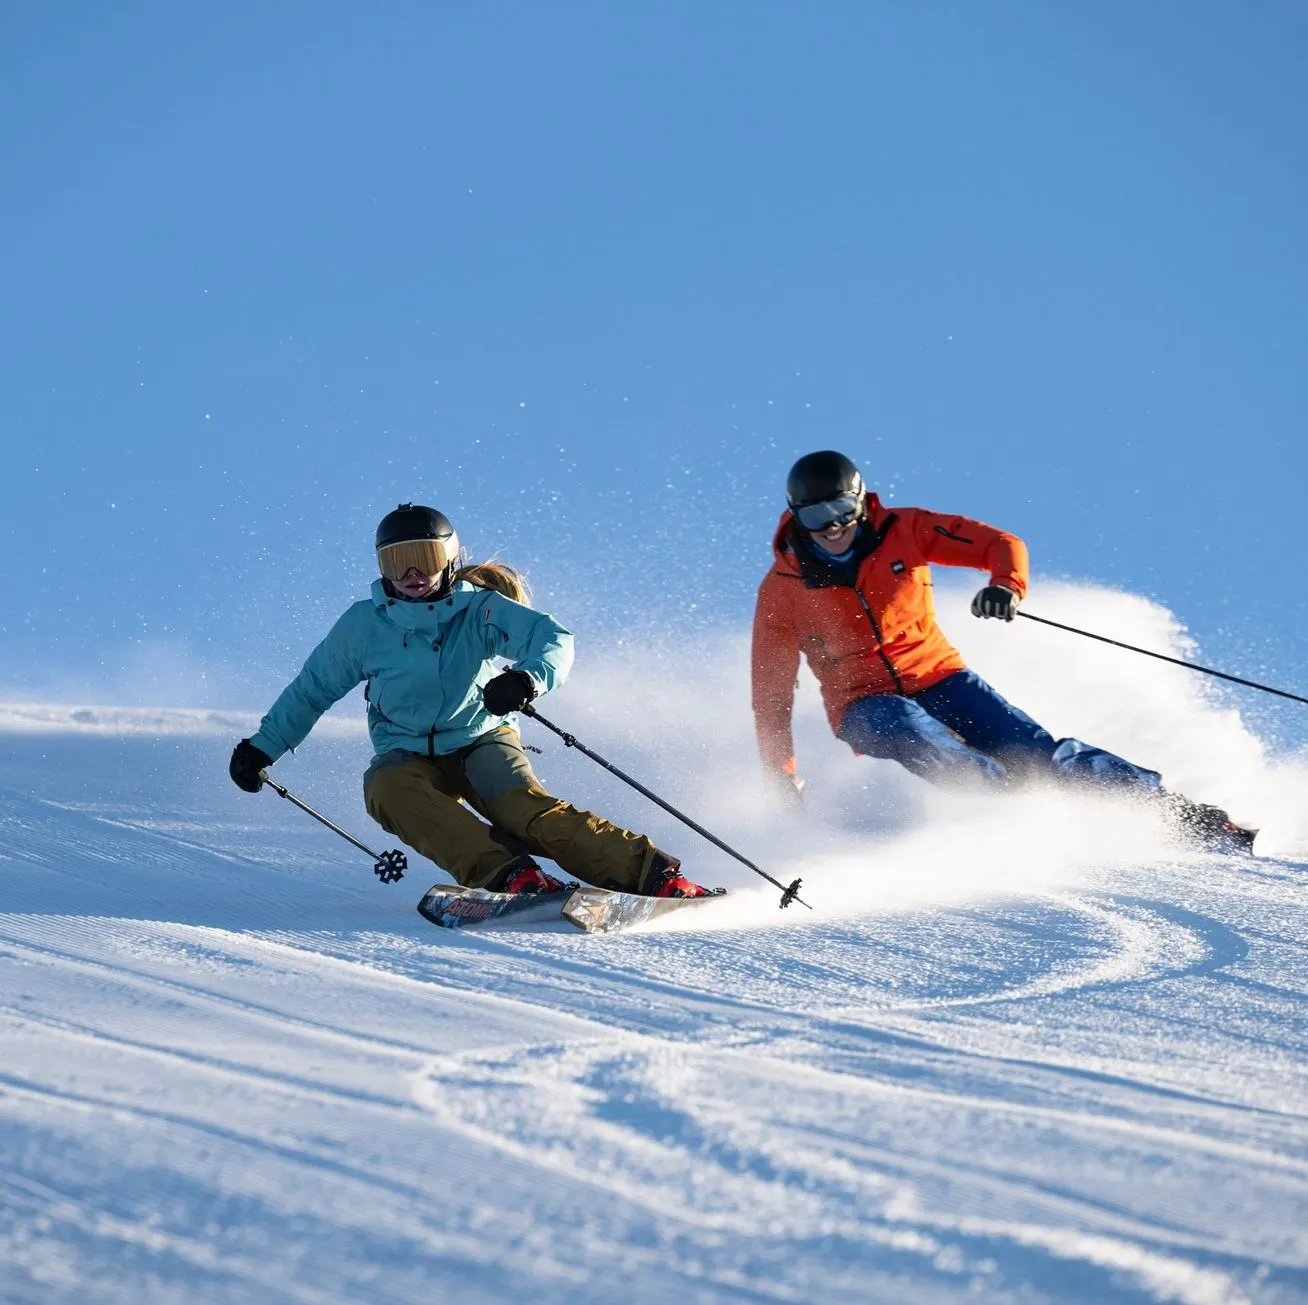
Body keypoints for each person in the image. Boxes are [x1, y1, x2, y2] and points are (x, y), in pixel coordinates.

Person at [750, 451, 1253, 851]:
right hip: (863, 705)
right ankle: (1026, 813)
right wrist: (782, 774)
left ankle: (1178, 815)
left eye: (842, 510)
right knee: (908, 726)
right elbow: (770, 697)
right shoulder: (782, 590)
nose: (832, 526)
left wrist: (1006, 587)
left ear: (861, 501)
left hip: (940, 675)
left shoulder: (905, 530)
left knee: (1038, 754)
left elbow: (999, 543)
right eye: (817, 516)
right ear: (796, 517)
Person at [229, 503, 709, 897]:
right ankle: (512, 878)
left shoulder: (478, 610)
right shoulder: (363, 626)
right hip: (407, 753)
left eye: (426, 556)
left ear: (450, 559)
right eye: (398, 561)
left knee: (521, 811)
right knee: (386, 791)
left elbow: (552, 638)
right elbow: (312, 689)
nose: (413, 572)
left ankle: (655, 876)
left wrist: (526, 680)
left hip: (481, 738)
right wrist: (263, 747)